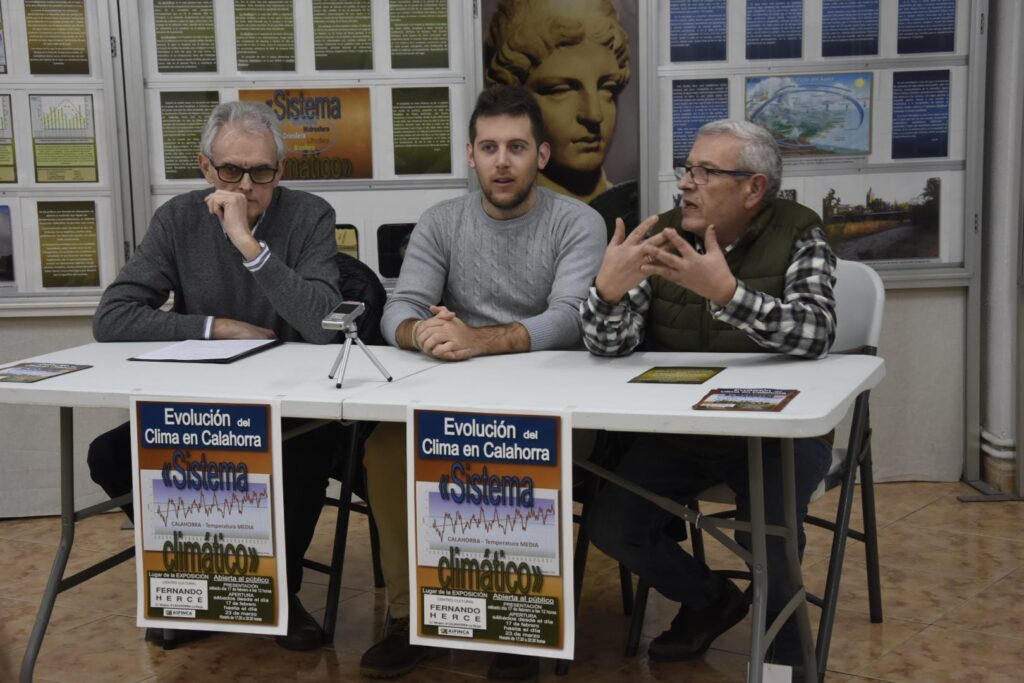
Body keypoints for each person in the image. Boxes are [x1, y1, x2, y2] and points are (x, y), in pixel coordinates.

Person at [358, 85, 606, 679]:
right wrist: (423, 333)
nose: (502, 162)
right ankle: (410, 616)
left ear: (541, 155)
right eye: (489, 147)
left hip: (555, 407)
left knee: (509, 456)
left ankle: (518, 623)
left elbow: (571, 319)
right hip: (456, 400)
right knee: (385, 451)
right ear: (470, 155)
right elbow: (399, 308)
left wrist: (478, 339)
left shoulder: (578, 221)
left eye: (517, 147)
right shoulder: (442, 221)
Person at [88, 100, 346, 652]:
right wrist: (214, 327)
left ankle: (279, 592)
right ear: (206, 168)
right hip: (203, 403)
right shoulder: (178, 219)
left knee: (300, 453)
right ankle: (207, 575)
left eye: (262, 172)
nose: (246, 186)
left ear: (281, 169)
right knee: (109, 455)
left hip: (291, 403)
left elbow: (325, 324)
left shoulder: (310, 215)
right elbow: (112, 317)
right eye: (231, 171)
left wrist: (249, 246)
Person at [580, 119, 837, 667]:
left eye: (704, 172)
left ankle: (785, 661)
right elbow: (611, 346)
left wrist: (726, 294)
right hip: (685, 429)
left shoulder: (800, 232)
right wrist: (606, 294)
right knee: (614, 524)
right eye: (686, 169)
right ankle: (710, 600)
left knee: (769, 536)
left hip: (778, 435)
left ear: (753, 188)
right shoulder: (666, 235)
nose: (685, 184)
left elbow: (815, 332)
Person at [484, 0, 638, 237]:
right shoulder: (500, 221)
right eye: (560, 90)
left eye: (607, 88)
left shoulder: (634, 210)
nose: (594, 115)